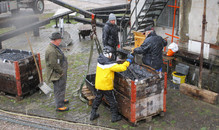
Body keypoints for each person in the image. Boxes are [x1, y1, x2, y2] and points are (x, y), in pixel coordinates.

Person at [90, 46, 134, 122]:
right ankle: (114, 117)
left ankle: (93, 114)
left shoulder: (100, 60)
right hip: (106, 86)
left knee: (97, 99)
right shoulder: (110, 65)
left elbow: (111, 63)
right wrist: (129, 60)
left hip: (99, 84)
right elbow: (122, 68)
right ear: (109, 55)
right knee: (112, 101)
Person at [45, 32, 69, 112]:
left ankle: (61, 99)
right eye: (60, 40)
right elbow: (53, 64)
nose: (61, 41)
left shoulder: (55, 47)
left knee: (62, 86)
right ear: (56, 40)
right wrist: (61, 71)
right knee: (59, 88)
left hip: (60, 71)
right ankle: (59, 106)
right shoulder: (51, 51)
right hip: (57, 74)